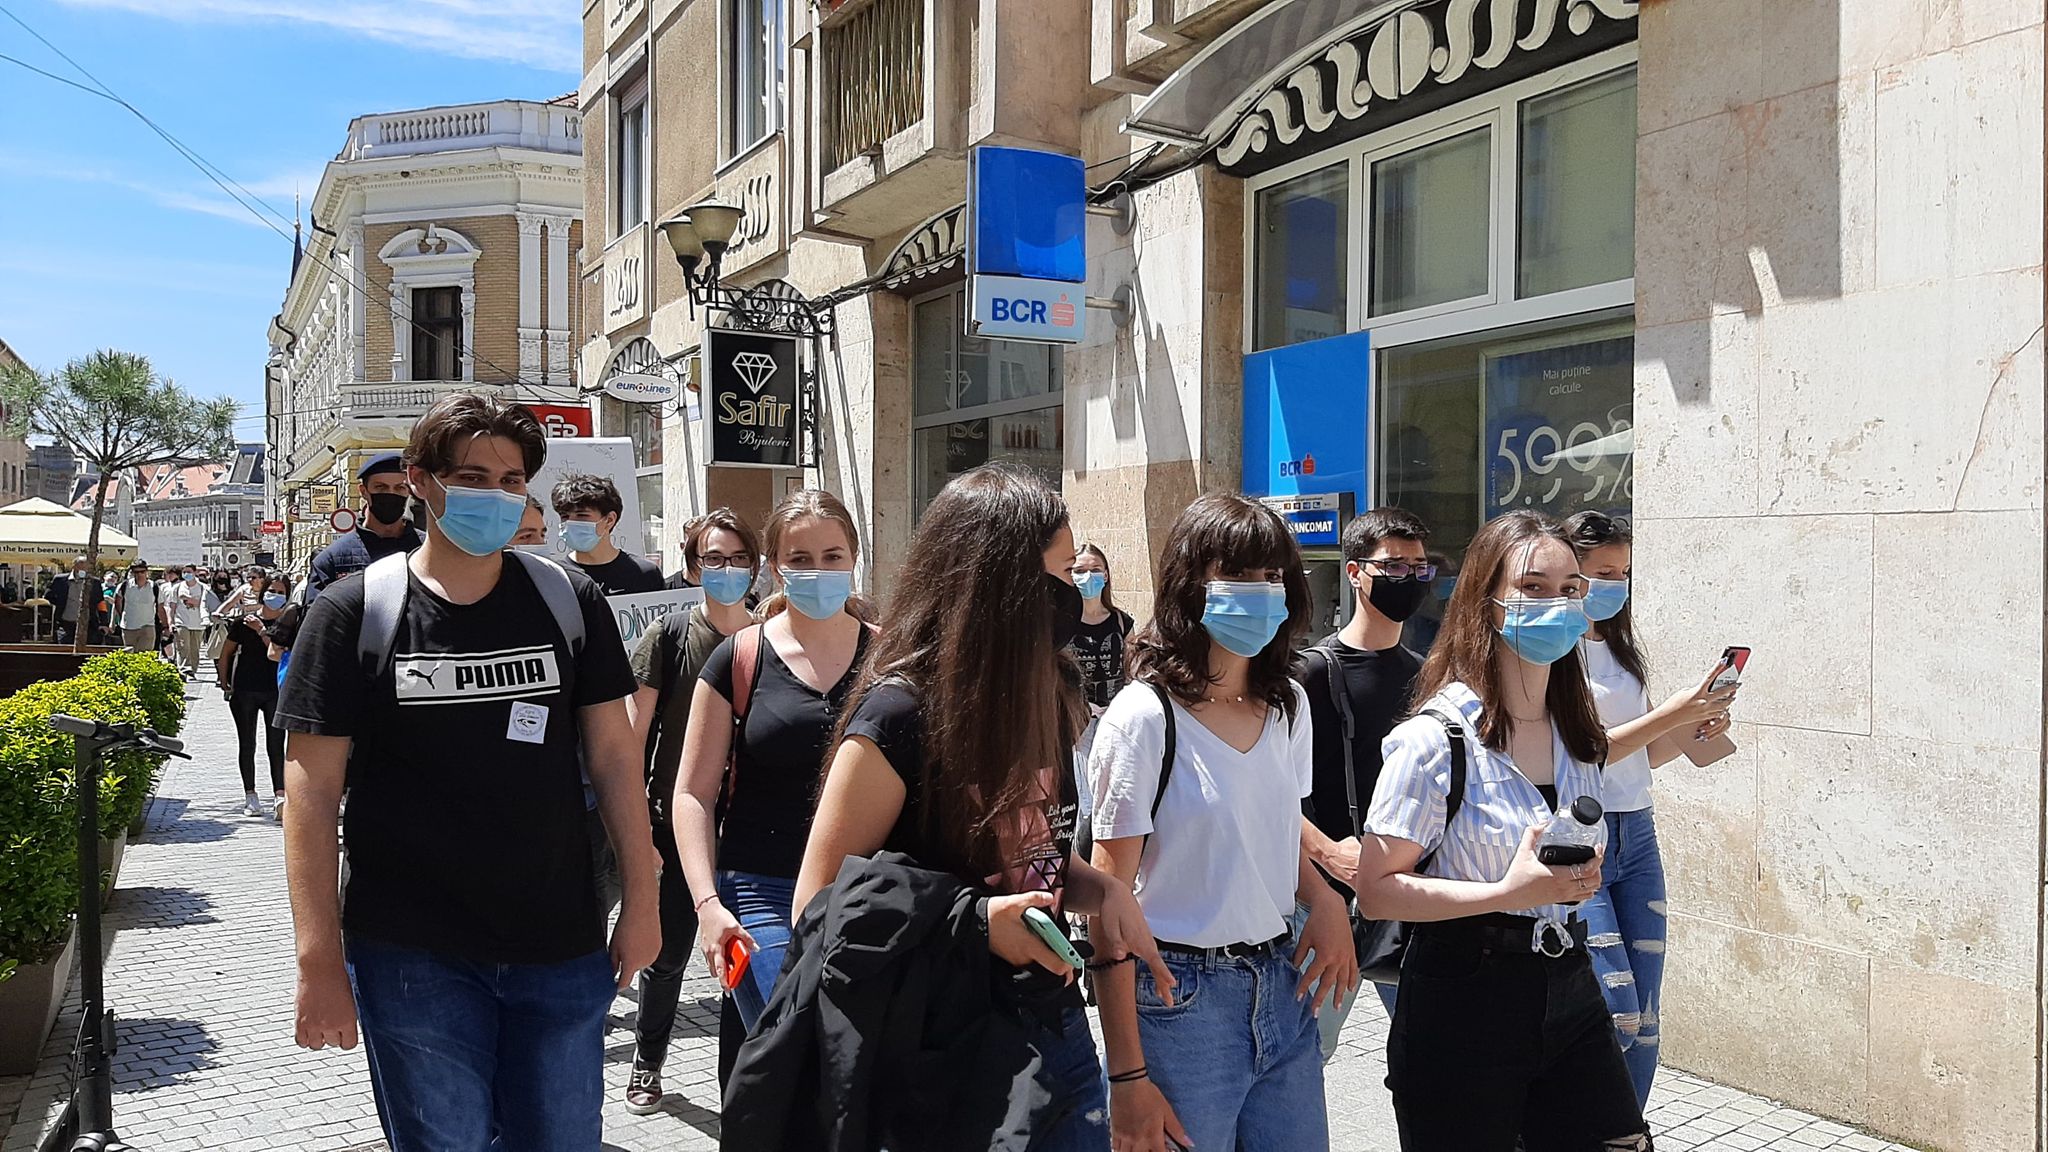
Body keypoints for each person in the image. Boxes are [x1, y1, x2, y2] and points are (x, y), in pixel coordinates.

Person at [277, 393, 660, 1152]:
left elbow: (617, 761)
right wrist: (318, 961)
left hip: (559, 942)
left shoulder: (566, 599)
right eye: (474, 475)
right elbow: (312, 795)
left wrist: (643, 902)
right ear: (420, 480)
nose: (495, 494)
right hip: (411, 953)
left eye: (512, 480)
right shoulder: (357, 611)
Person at [766, 462, 1161, 1151]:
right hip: (946, 1056)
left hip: (1057, 1029)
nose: (1075, 590)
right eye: (1063, 571)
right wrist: (976, 926)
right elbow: (818, 906)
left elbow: (1028, 850)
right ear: (1002, 581)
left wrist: (1100, 889)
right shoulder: (899, 713)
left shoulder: (1047, 689)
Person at [1354, 509, 1648, 1151]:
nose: (1559, 604)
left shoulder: (1578, 736)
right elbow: (1376, 889)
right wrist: (1503, 894)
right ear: (1487, 605)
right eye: (1534, 588)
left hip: (1567, 977)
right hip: (1463, 992)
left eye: (1572, 589)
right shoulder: (1435, 740)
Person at [1088, 493, 1354, 1152]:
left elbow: (1269, 827)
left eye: (1273, 578)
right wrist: (1127, 1077)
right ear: (1190, 583)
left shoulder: (1288, 701)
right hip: (1178, 999)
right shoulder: (1144, 718)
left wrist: (1322, 898)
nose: (1262, 593)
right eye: (1238, 575)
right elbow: (1105, 901)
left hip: (1281, 985)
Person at [672, 489, 871, 1034]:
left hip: (868, 890)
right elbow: (692, 792)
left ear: (854, 557)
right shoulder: (739, 657)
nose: (818, 571)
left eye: (832, 556)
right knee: (789, 1044)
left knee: (853, 1064)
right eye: (800, 559)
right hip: (760, 891)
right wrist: (708, 906)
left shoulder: (890, 657)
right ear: (777, 568)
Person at [1565, 510, 1734, 1110]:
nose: (1616, 584)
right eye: (1604, 571)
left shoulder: (1620, 649)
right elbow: (1586, 753)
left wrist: (1693, 722)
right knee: (1617, 1010)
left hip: (1637, 833)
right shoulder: (1552, 652)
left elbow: (1641, 758)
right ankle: (1587, 1128)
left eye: (1625, 571)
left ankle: (1626, 1132)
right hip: (1579, 836)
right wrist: (1671, 712)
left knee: (1648, 1013)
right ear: (1571, 571)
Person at [621, 507, 759, 1113]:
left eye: (738, 558)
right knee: (669, 952)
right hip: (675, 825)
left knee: (748, 958)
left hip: (752, 827)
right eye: (714, 559)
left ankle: (747, 1083)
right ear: (692, 567)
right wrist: (636, 834)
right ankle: (648, 1061)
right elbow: (629, 741)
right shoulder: (671, 636)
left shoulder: (772, 638)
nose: (727, 569)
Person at [1296, 508, 1435, 1039]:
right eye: (1395, 566)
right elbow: (1268, 790)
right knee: (1305, 1051)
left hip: (1404, 896)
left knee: (1425, 1055)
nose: (1411, 579)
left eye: (1420, 568)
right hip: (1326, 898)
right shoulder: (1308, 673)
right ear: (1355, 573)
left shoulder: (1426, 675)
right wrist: (1327, 854)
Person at [305, 451, 425, 602]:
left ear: (409, 491)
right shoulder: (332, 560)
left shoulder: (427, 550)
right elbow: (316, 620)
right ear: (363, 491)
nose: (390, 494)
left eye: (399, 488)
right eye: (381, 487)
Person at [217, 582, 286, 819]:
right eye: (272, 591)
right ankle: (251, 795)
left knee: (276, 744)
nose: (275, 596)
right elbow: (226, 651)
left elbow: (278, 654)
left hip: (275, 690)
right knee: (247, 743)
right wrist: (224, 680)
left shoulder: (287, 623)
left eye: (280, 592)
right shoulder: (243, 622)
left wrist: (262, 631)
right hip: (245, 689)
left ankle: (280, 795)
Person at [551, 473, 662, 595]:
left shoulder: (645, 574)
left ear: (609, 520)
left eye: (582, 515)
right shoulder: (555, 577)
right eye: (564, 516)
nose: (571, 523)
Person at [112, 561, 159, 652]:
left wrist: (164, 625)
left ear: (146, 572)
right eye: (136, 572)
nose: (140, 574)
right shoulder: (124, 585)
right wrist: (122, 616)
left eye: (142, 572)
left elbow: (160, 606)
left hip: (148, 626)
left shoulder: (154, 586)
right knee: (129, 654)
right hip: (128, 626)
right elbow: (117, 602)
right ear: (133, 573)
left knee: (145, 655)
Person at [171, 566, 208, 678]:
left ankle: (193, 669)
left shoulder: (203, 588)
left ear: (195, 572)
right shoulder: (177, 588)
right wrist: (171, 622)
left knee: (194, 649)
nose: (187, 574)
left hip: (198, 623)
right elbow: (172, 606)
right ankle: (184, 669)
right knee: (183, 646)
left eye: (189, 572)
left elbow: (204, 604)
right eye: (184, 572)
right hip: (181, 621)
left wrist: (188, 599)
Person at [48, 556, 86, 644]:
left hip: (86, 624)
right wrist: (61, 602)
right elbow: (48, 595)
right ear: (74, 566)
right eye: (81, 565)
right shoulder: (60, 580)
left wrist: (104, 623)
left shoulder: (93, 582)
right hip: (65, 621)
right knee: (64, 646)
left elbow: (100, 602)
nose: (84, 568)